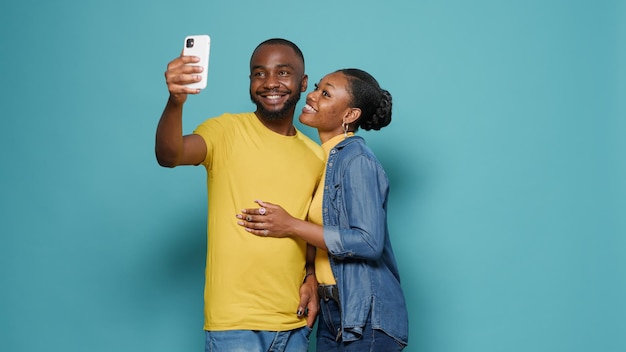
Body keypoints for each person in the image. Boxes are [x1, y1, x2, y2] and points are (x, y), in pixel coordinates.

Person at [155, 38, 324, 352]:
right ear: (250, 83)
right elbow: (170, 154)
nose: (270, 82)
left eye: (283, 73)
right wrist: (175, 101)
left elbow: (311, 225)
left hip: (294, 324)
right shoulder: (225, 131)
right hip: (234, 325)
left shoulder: (316, 157)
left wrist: (312, 275)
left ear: (302, 84)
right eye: (259, 74)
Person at [237, 68, 409, 351]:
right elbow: (323, 236)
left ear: (350, 115)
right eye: (316, 88)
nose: (312, 96)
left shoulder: (357, 161)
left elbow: (368, 242)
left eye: (326, 93)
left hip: (365, 317)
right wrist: (311, 277)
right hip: (332, 312)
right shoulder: (321, 159)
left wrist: (290, 225)